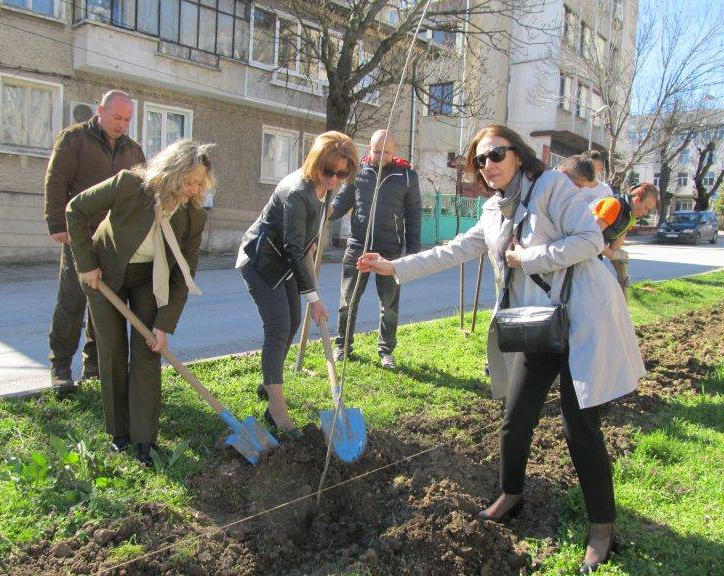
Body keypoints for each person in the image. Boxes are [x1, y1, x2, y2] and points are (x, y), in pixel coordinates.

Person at [358, 125, 645, 574]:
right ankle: (511, 495)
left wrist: (527, 259)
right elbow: (454, 250)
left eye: (495, 154)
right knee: (516, 417)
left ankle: (602, 530)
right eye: (480, 160)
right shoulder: (493, 209)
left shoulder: (551, 185)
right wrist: (393, 266)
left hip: (584, 319)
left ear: (518, 154)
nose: (488, 165)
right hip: (539, 325)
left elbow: (591, 241)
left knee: (579, 428)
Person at [66, 139, 212, 466]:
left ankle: (144, 439)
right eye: (187, 181)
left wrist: (163, 325)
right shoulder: (129, 185)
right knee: (113, 350)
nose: (192, 189)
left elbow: (183, 276)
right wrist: (87, 263)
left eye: (200, 183)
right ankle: (119, 434)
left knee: (147, 351)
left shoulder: (193, 218)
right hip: (105, 274)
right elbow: (75, 210)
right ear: (171, 173)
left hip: (150, 279)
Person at [236, 131, 359, 434]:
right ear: (316, 163)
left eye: (342, 173)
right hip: (262, 262)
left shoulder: (326, 188)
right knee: (278, 328)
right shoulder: (296, 192)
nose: (334, 179)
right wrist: (314, 298)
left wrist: (313, 241)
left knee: (290, 323)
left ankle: (270, 382)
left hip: (287, 260)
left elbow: (306, 235)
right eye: (329, 171)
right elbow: (292, 248)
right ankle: (276, 409)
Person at [44, 90, 145, 393]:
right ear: (100, 110)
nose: (121, 125)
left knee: (104, 308)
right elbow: (56, 180)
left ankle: (94, 368)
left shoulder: (134, 151)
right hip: (80, 237)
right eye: (117, 117)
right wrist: (57, 223)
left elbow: (142, 191)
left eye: (127, 119)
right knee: (72, 303)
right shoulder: (74, 139)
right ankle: (61, 368)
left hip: (114, 244)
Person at [329, 129, 421, 370]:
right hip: (358, 246)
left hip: (389, 250)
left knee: (389, 305)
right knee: (347, 301)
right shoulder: (358, 172)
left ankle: (386, 351)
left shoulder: (407, 176)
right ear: (369, 149)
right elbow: (342, 201)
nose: (381, 156)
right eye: (376, 151)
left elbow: (414, 214)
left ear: (395, 151)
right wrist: (325, 213)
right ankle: (343, 346)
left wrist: (413, 251)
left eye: (386, 152)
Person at [592, 182, 658, 299]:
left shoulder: (629, 218)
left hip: (592, 256)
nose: (645, 213)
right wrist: (613, 255)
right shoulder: (614, 205)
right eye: (646, 208)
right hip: (576, 253)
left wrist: (622, 275)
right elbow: (591, 236)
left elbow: (615, 250)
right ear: (637, 200)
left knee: (601, 295)